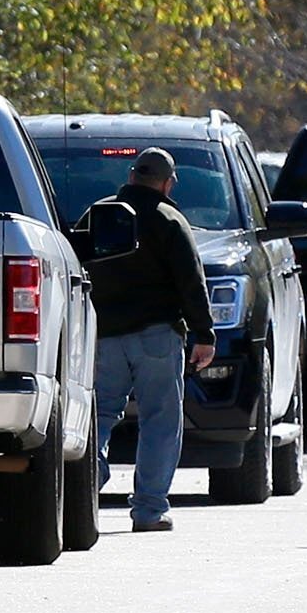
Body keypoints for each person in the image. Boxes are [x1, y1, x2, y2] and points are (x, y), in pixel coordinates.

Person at [87, 147, 216, 532]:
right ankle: (149, 510)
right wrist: (204, 333)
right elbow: (190, 282)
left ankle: (86, 480)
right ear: (168, 182)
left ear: (130, 176)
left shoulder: (98, 214)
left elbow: (76, 267)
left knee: (97, 417)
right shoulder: (169, 219)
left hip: (104, 336)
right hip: (157, 337)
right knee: (160, 420)